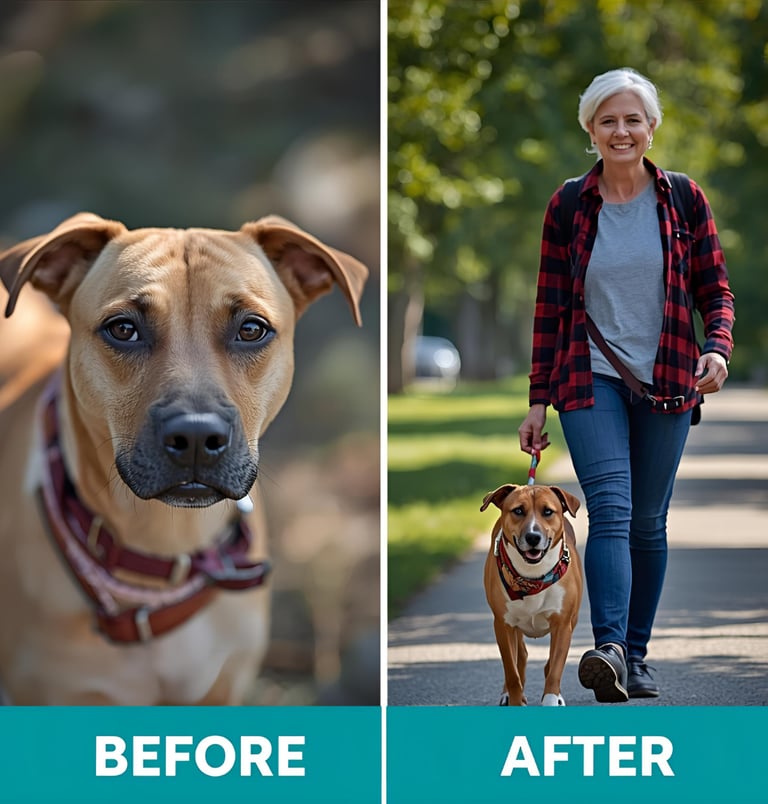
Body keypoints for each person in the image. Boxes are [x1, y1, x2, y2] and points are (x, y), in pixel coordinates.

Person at [518, 68, 735, 703]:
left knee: (648, 522)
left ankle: (634, 657)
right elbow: (550, 307)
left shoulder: (684, 199)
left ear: (651, 127)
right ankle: (608, 646)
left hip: (669, 377)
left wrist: (717, 348)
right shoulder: (568, 204)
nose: (622, 131)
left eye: (632, 119)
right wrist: (538, 399)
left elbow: (714, 290)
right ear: (590, 129)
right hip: (590, 377)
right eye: (608, 120)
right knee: (610, 509)